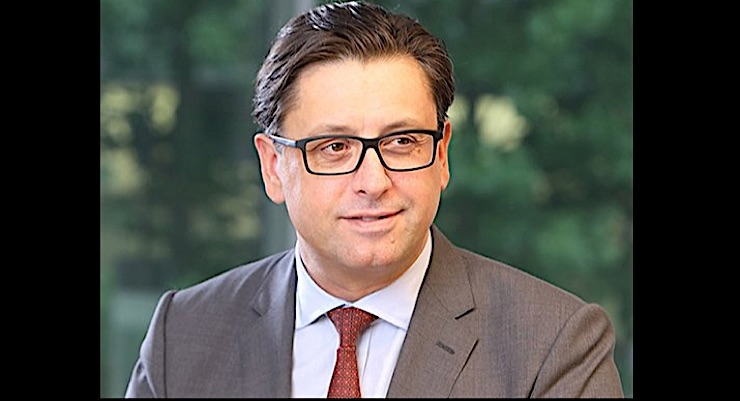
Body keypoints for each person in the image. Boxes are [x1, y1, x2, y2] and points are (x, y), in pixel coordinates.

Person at [124, 1, 624, 398]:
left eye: (402, 141)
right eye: (334, 147)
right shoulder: (182, 336)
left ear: (442, 154)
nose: (373, 181)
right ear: (273, 166)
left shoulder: (554, 345)